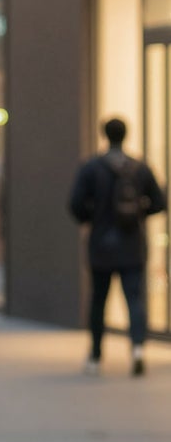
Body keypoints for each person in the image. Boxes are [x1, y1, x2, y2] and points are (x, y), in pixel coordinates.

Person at [69, 116, 166, 376]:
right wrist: (140, 212)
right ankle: (137, 349)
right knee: (134, 298)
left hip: (101, 244)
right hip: (132, 244)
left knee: (99, 300)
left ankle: (95, 354)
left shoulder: (91, 168)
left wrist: (92, 217)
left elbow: (76, 204)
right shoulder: (140, 168)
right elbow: (159, 202)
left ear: (105, 135)